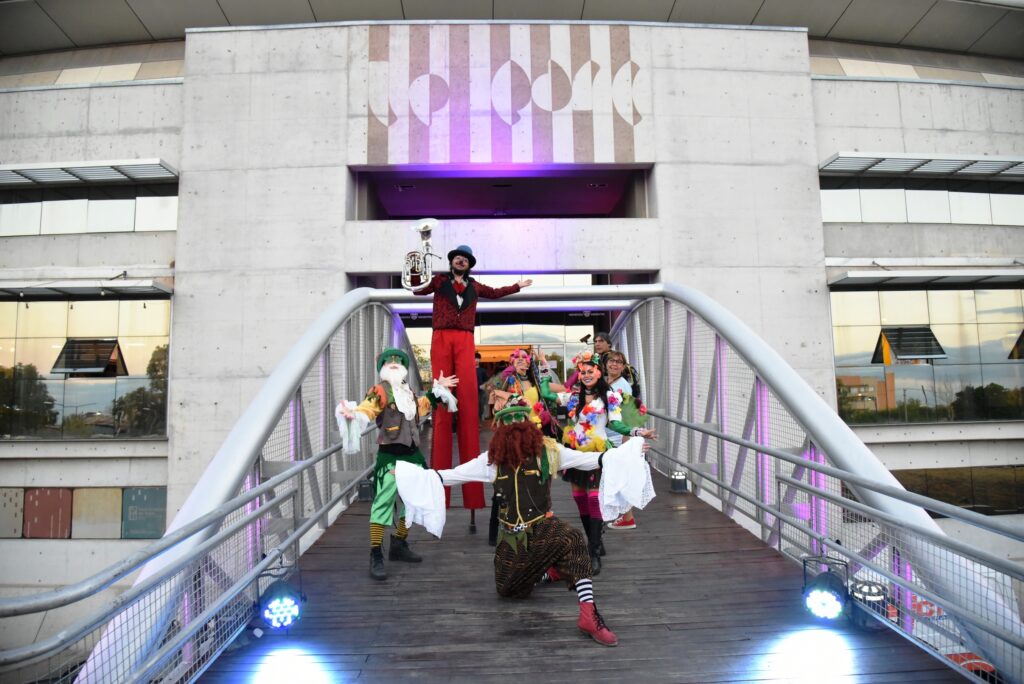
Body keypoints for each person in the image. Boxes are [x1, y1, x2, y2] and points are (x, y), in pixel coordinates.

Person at [393, 399, 656, 646]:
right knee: (509, 590)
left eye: (520, 429)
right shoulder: (491, 461)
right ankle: (551, 570)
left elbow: (592, 460)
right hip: (510, 539)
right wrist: (407, 474)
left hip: (542, 527)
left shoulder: (549, 453)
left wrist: (628, 450)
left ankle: (589, 614)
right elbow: (448, 476)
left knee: (573, 538)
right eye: (510, 431)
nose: (515, 436)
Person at [414, 244, 532, 529]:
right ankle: (438, 491)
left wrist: (517, 286)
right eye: (457, 258)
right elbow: (418, 290)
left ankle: (473, 498)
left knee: (467, 407)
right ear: (452, 262)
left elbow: (496, 293)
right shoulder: (439, 282)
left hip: (465, 339)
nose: (460, 261)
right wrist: (417, 271)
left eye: (464, 259)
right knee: (442, 407)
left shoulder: (475, 287)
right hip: (441, 337)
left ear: (469, 264)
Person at [335, 348, 458, 580]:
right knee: (383, 503)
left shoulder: (407, 391)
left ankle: (399, 543)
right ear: (382, 367)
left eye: (397, 360)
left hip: (413, 455)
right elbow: (369, 407)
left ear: (403, 367)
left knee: (413, 501)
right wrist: (355, 414)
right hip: (390, 456)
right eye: (388, 361)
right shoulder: (379, 390)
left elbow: (421, 407)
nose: (393, 362)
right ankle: (375, 554)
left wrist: (437, 391)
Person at [540, 351, 655, 574]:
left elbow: (615, 425)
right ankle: (595, 540)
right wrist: (544, 369)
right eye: (582, 372)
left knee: (594, 498)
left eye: (590, 371)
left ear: (598, 372)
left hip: (598, 452)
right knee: (579, 498)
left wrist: (637, 431)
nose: (585, 375)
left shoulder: (609, 397)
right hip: (576, 452)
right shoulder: (574, 397)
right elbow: (545, 393)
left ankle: (593, 552)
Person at [484, 348, 565, 545]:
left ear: (530, 362)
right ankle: (496, 530)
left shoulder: (535, 380)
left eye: (524, 358)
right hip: (513, 435)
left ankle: (537, 525)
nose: (521, 360)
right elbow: (489, 389)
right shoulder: (507, 380)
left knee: (537, 478)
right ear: (512, 361)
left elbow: (561, 388)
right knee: (505, 480)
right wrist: (507, 374)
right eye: (517, 358)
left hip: (535, 434)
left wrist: (544, 362)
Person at [603, 349, 649, 531]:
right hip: (606, 434)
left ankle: (628, 517)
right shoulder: (605, 382)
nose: (614, 364)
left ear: (623, 367)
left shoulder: (623, 386)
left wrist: (627, 440)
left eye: (618, 362)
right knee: (613, 475)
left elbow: (629, 416)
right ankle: (620, 514)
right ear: (606, 363)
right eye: (611, 361)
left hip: (617, 436)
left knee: (620, 476)